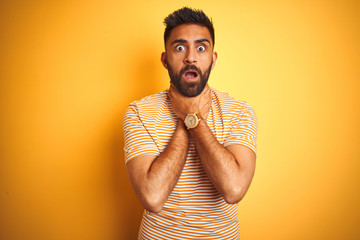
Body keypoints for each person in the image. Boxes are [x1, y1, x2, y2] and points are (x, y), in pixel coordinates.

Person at [123, 7, 257, 239]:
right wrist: (187, 118)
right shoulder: (139, 112)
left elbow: (234, 189)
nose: (191, 57)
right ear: (165, 59)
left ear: (213, 59)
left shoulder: (239, 111)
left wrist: (193, 120)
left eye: (201, 48)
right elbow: (152, 197)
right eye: (180, 47)